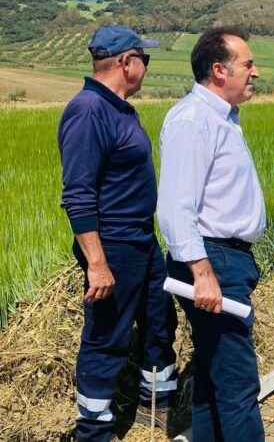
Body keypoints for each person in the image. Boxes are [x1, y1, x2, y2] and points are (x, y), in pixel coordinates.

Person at [57, 23, 177, 441]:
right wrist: (97, 263)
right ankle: (94, 431)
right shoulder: (88, 109)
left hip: (141, 240)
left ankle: (156, 405)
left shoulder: (120, 108)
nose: (148, 67)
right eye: (145, 59)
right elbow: (78, 194)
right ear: (126, 61)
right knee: (107, 338)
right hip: (114, 245)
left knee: (160, 323)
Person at [156, 26, 265, 441]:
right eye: (248, 64)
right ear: (219, 70)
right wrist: (202, 272)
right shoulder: (193, 119)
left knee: (215, 375)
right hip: (212, 260)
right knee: (238, 382)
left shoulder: (222, 117)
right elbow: (175, 207)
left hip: (225, 258)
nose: (255, 72)